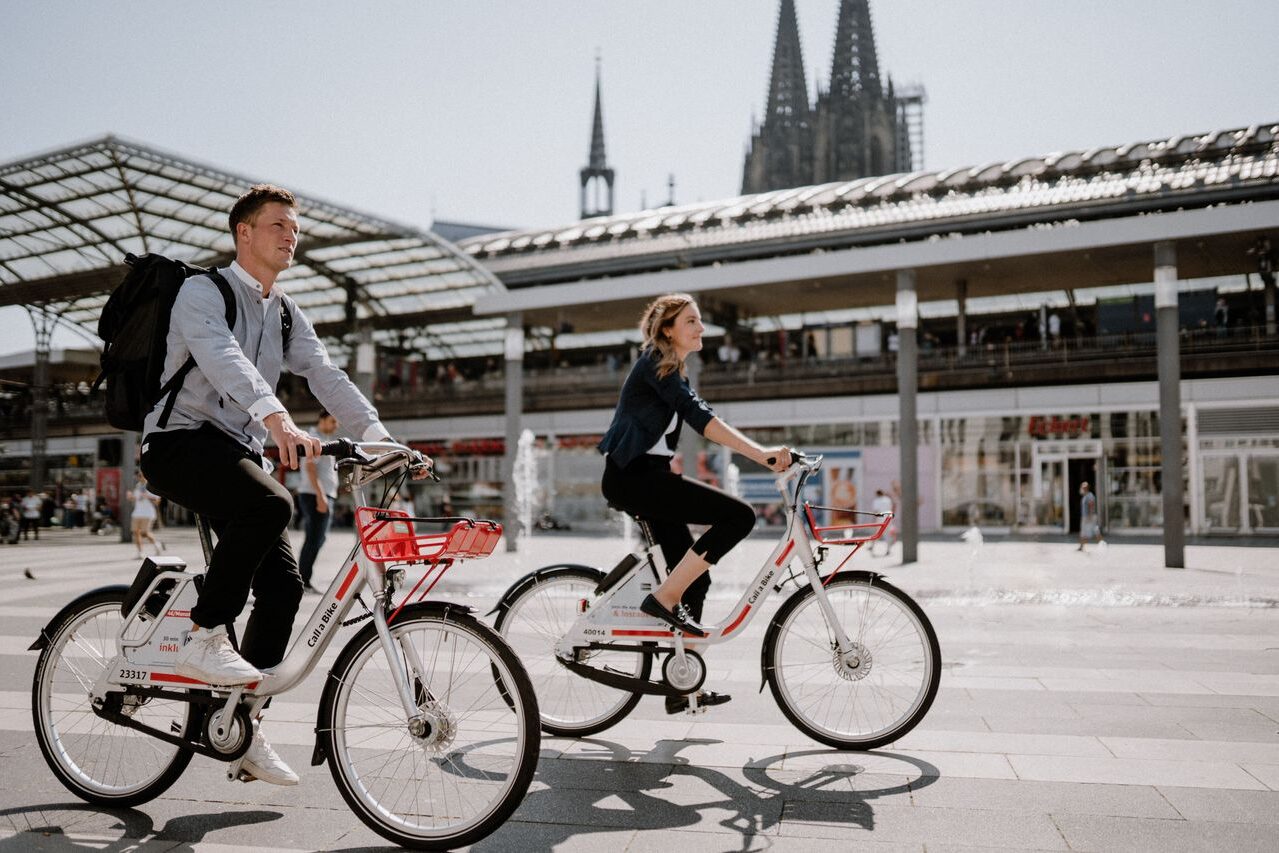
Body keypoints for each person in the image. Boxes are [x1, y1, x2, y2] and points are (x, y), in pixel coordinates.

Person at [140, 184, 428, 787]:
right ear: (244, 232)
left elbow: (325, 374)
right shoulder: (204, 291)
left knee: (285, 586)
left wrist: (381, 440)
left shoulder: (287, 310)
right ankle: (202, 633)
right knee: (271, 503)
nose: (290, 236)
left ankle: (241, 724)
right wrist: (275, 416)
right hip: (178, 443)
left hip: (235, 450)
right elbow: (222, 358)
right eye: (278, 225)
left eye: (294, 228)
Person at [598, 292, 790, 714]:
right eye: (692, 321)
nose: (701, 328)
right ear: (668, 329)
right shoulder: (654, 364)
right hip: (634, 479)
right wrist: (762, 454)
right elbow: (701, 419)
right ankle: (663, 601)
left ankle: (679, 684)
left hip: (651, 478)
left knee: (696, 580)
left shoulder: (671, 370)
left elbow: (696, 410)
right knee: (739, 516)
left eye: (700, 321)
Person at [296, 410, 340, 593]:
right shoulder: (314, 438)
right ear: (322, 420)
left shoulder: (323, 437)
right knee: (313, 539)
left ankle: (302, 579)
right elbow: (310, 468)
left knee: (317, 539)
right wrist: (321, 496)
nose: (335, 426)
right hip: (314, 495)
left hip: (320, 494)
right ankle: (301, 581)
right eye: (332, 421)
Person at [130, 474, 164, 558]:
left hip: (148, 513)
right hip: (137, 513)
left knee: (144, 532)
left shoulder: (151, 487)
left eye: (142, 476)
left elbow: (157, 501)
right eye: (139, 476)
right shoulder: (137, 486)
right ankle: (140, 552)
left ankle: (157, 545)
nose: (140, 477)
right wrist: (131, 497)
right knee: (135, 532)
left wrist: (147, 496)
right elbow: (136, 498)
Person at [1077, 481, 1103, 551]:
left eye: (1082, 487)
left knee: (1094, 530)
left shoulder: (1089, 495)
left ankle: (1101, 543)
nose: (1081, 489)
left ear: (1086, 488)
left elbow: (1091, 505)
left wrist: (1090, 515)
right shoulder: (1085, 496)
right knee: (1084, 531)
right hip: (1086, 516)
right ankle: (1081, 546)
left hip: (1088, 517)